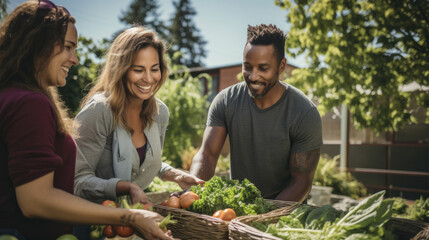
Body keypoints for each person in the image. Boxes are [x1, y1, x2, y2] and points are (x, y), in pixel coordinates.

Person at [0, 1, 174, 240]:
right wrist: (129, 217)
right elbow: (35, 201)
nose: (75, 59)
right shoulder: (29, 103)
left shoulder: (13, 96)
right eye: (68, 47)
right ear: (38, 44)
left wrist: (169, 173)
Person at [190, 24, 323, 203]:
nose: (253, 76)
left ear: (281, 65)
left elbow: (301, 182)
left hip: (285, 215)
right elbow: (207, 155)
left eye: (263, 68)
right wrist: (193, 192)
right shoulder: (226, 101)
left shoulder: (304, 112)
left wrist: (264, 214)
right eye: (247, 67)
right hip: (238, 209)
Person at [73, 26, 204, 207]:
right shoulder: (99, 110)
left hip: (131, 218)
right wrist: (124, 187)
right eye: (138, 69)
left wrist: (176, 175)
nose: (149, 79)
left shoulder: (159, 113)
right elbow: (77, 181)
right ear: (121, 70)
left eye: (154, 69)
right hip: (92, 222)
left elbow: (142, 162)